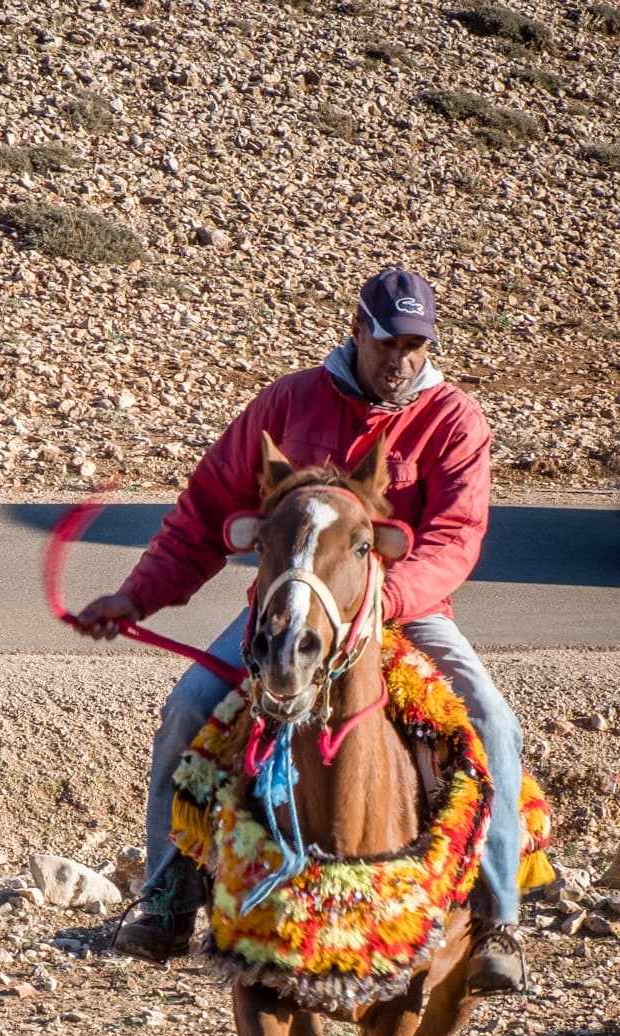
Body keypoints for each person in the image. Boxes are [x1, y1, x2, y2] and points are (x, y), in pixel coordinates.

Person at [74, 267, 525, 995]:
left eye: (415, 344)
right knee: (190, 706)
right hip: (283, 613)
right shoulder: (286, 403)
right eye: (387, 341)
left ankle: (496, 916)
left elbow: (454, 539)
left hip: (402, 612)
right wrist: (134, 598)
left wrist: (383, 600)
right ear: (355, 329)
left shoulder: (454, 421)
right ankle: (167, 894)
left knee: (491, 724)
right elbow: (199, 517)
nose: (399, 359)